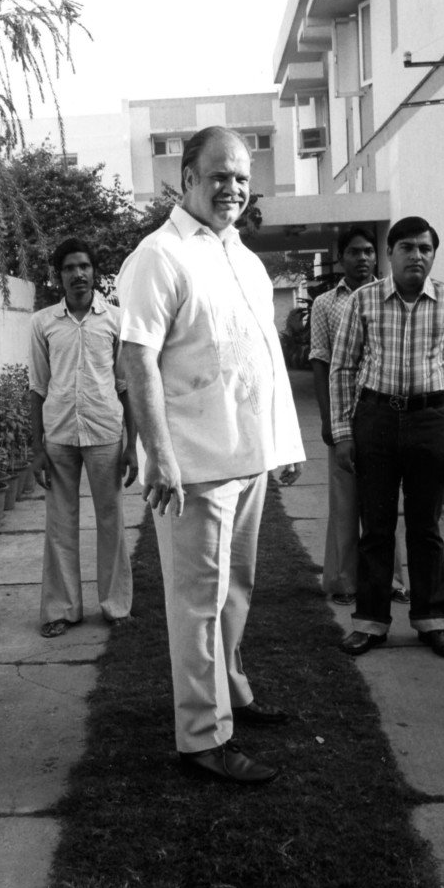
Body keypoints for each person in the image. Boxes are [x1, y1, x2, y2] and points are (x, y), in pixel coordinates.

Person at [117, 126, 305, 786]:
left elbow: (261, 359)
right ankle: (202, 735)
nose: (231, 186)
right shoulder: (159, 256)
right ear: (188, 178)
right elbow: (136, 358)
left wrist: (282, 441)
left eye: (241, 176)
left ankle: (231, 690)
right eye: (218, 174)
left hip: (247, 459)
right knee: (197, 602)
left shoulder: (242, 257)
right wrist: (159, 455)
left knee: (236, 590)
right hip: (193, 466)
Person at [329, 216, 444, 659]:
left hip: (431, 420)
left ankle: (432, 620)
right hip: (375, 420)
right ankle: (370, 622)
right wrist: (343, 434)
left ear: (433, 255)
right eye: (407, 248)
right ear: (389, 253)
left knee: (426, 527)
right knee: (375, 528)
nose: (417, 256)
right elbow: (342, 368)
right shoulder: (363, 300)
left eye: (425, 248)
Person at [29, 237, 138, 638]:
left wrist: (133, 446)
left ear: (95, 271)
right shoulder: (42, 322)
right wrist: (37, 448)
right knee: (60, 524)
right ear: (59, 276)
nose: (78, 274)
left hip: (106, 433)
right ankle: (62, 608)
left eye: (84, 266)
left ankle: (115, 605)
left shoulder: (115, 320)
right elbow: (37, 387)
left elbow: (126, 385)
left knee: (111, 520)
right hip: (58, 435)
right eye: (69, 268)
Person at [309, 225, 410, 609]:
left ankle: (393, 582)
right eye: (354, 252)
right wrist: (327, 417)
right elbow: (319, 362)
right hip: (344, 417)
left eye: (369, 251)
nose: (363, 258)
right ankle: (343, 582)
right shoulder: (325, 304)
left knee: (384, 504)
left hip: (383, 414)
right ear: (341, 257)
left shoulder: (392, 296)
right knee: (345, 502)